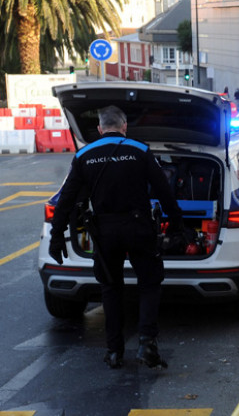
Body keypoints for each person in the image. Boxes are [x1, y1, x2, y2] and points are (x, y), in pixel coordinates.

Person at [48, 106, 185, 370]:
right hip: (139, 229)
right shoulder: (140, 151)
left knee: (110, 289)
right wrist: (178, 227)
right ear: (124, 127)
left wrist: (57, 238)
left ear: (100, 129)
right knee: (149, 283)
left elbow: (65, 202)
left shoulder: (84, 155)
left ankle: (114, 351)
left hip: (105, 232)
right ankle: (147, 343)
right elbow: (164, 192)